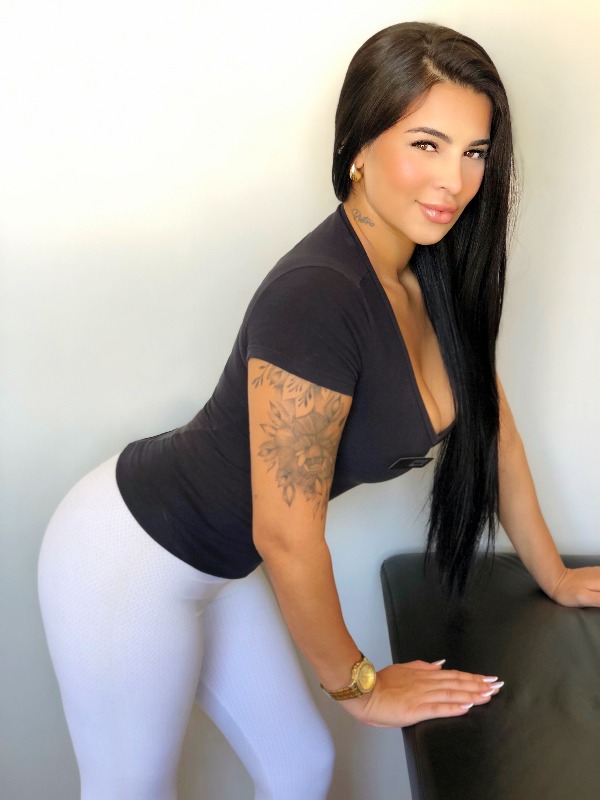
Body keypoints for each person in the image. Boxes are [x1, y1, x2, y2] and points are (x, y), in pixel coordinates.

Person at [37, 20, 600, 800]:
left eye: (474, 152)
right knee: (129, 786)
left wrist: (557, 577)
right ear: (360, 148)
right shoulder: (318, 296)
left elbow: (494, 433)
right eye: (427, 144)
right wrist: (362, 688)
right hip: (128, 558)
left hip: (222, 566)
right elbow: (286, 533)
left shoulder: (432, 274)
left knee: (301, 766)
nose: (455, 180)